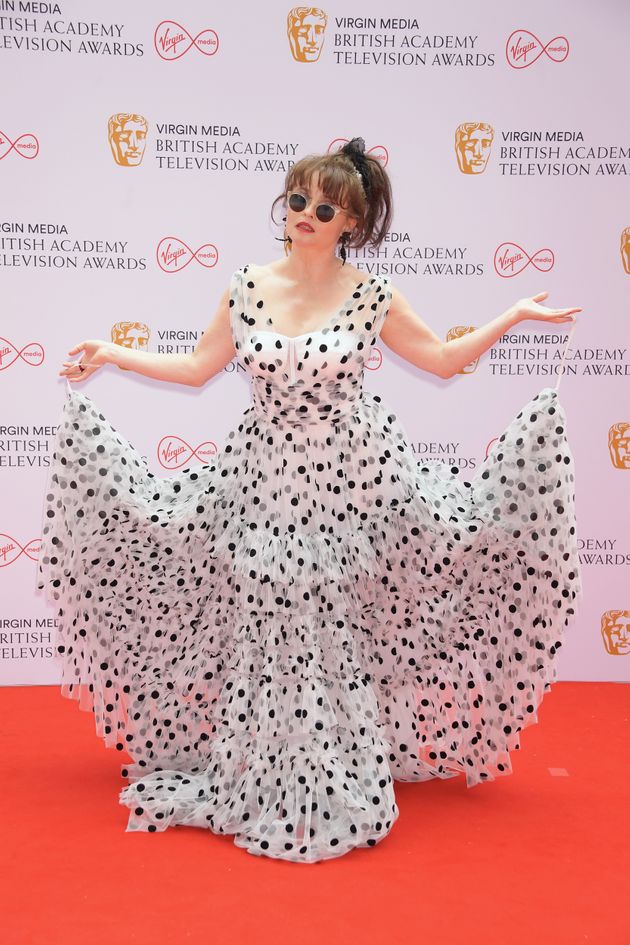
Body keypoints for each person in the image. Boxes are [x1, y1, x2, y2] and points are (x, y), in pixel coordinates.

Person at [38, 137, 583, 864]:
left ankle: (335, 768)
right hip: (261, 479)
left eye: (323, 208)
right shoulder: (246, 286)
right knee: (268, 618)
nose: (305, 215)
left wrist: (509, 315)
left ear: (349, 222)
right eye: (297, 200)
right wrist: (113, 352)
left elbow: (445, 361)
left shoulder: (371, 296)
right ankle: (261, 765)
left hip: (349, 485)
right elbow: (201, 367)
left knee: (333, 621)